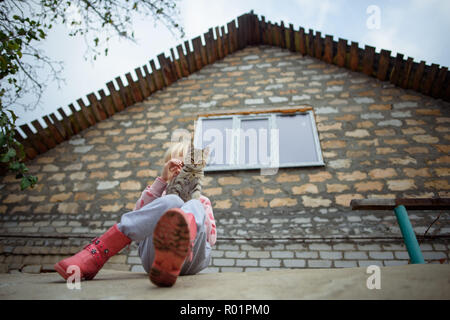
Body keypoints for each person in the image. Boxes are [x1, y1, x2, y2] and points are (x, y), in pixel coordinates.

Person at [54, 141, 216, 287]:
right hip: (154, 259)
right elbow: (137, 217)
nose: (182, 170)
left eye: (187, 163)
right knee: (171, 201)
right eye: (176, 164)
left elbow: (211, 240)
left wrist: (195, 210)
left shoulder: (203, 202)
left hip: (192, 259)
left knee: (194, 205)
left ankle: (180, 239)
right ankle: (96, 255)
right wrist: (162, 182)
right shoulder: (159, 196)